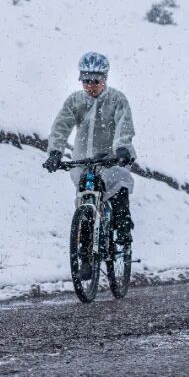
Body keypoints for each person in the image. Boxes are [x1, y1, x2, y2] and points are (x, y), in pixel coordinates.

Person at [44, 52, 137, 254]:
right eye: (86, 80)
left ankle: (122, 229)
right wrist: (55, 152)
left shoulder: (117, 99)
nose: (90, 85)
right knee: (84, 197)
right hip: (82, 160)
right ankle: (84, 248)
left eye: (95, 80)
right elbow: (61, 127)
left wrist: (121, 147)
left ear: (105, 78)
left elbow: (124, 125)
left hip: (111, 159)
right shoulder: (74, 101)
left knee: (119, 181)